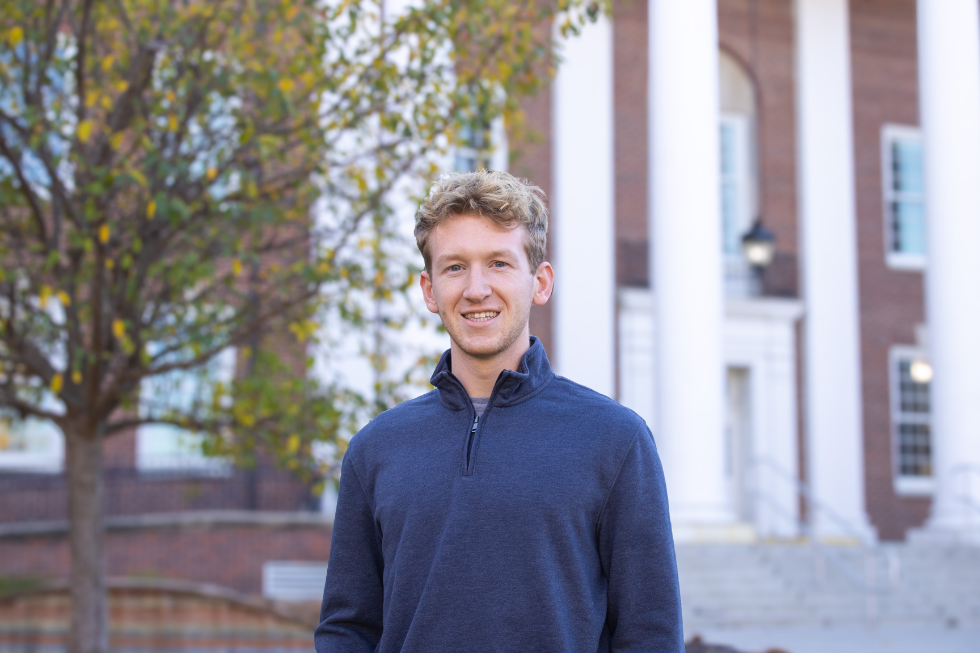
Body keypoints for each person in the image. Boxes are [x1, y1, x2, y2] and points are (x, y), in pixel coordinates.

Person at [315, 170, 683, 652]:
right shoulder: (376, 449)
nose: (476, 288)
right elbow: (348, 630)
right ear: (429, 290)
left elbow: (650, 634)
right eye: (454, 268)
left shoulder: (616, 441)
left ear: (540, 281)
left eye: (498, 264)